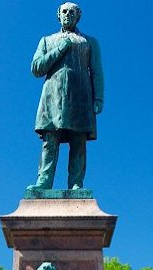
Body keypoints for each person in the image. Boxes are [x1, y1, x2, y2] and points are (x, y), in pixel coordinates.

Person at [27, 2, 104, 190]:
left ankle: (76, 182)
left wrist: (98, 98)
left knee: (78, 141)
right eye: (64, 11)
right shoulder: (46, 40)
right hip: (53, 97)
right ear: (58, 15)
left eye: (72, 12)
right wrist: (60, 48)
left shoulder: (89, 41)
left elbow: (96, 71)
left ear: (78, 16)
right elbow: (36, 68)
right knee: (50, 140)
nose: (68, 14)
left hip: (81, 97)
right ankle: (44, 181)